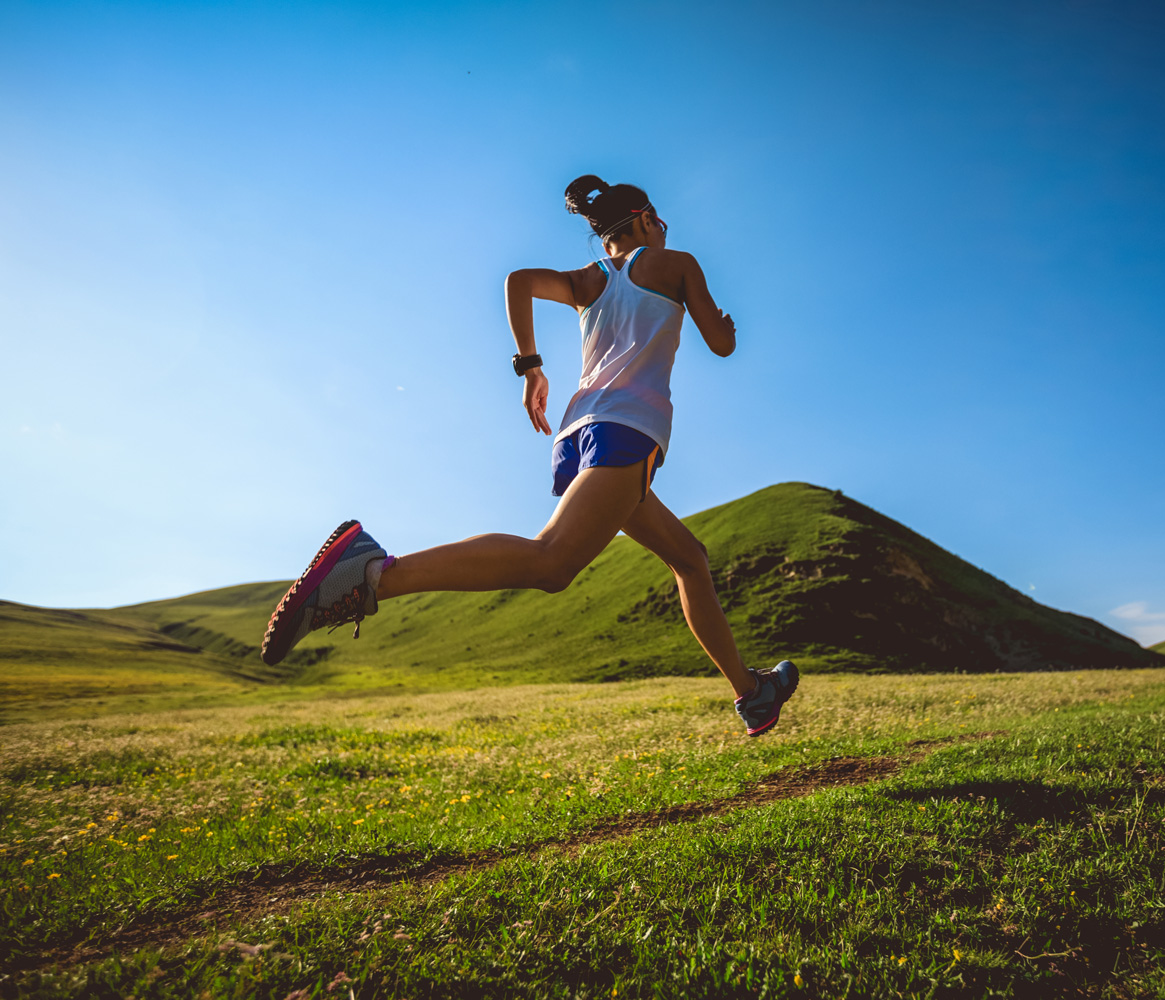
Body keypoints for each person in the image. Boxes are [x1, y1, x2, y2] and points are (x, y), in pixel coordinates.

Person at [259, 175, 798, 736]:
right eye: (659, 223)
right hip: (628, 429)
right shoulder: (675, 264)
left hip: (577, 435)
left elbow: (518, 281)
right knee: (552, 563)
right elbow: (722, 344)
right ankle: (370, 575)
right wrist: (724, 325)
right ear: (644, 219)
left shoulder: (588, 280)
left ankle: (751, 692)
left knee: (689, 558)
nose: (663, 231)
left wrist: (531, 367)